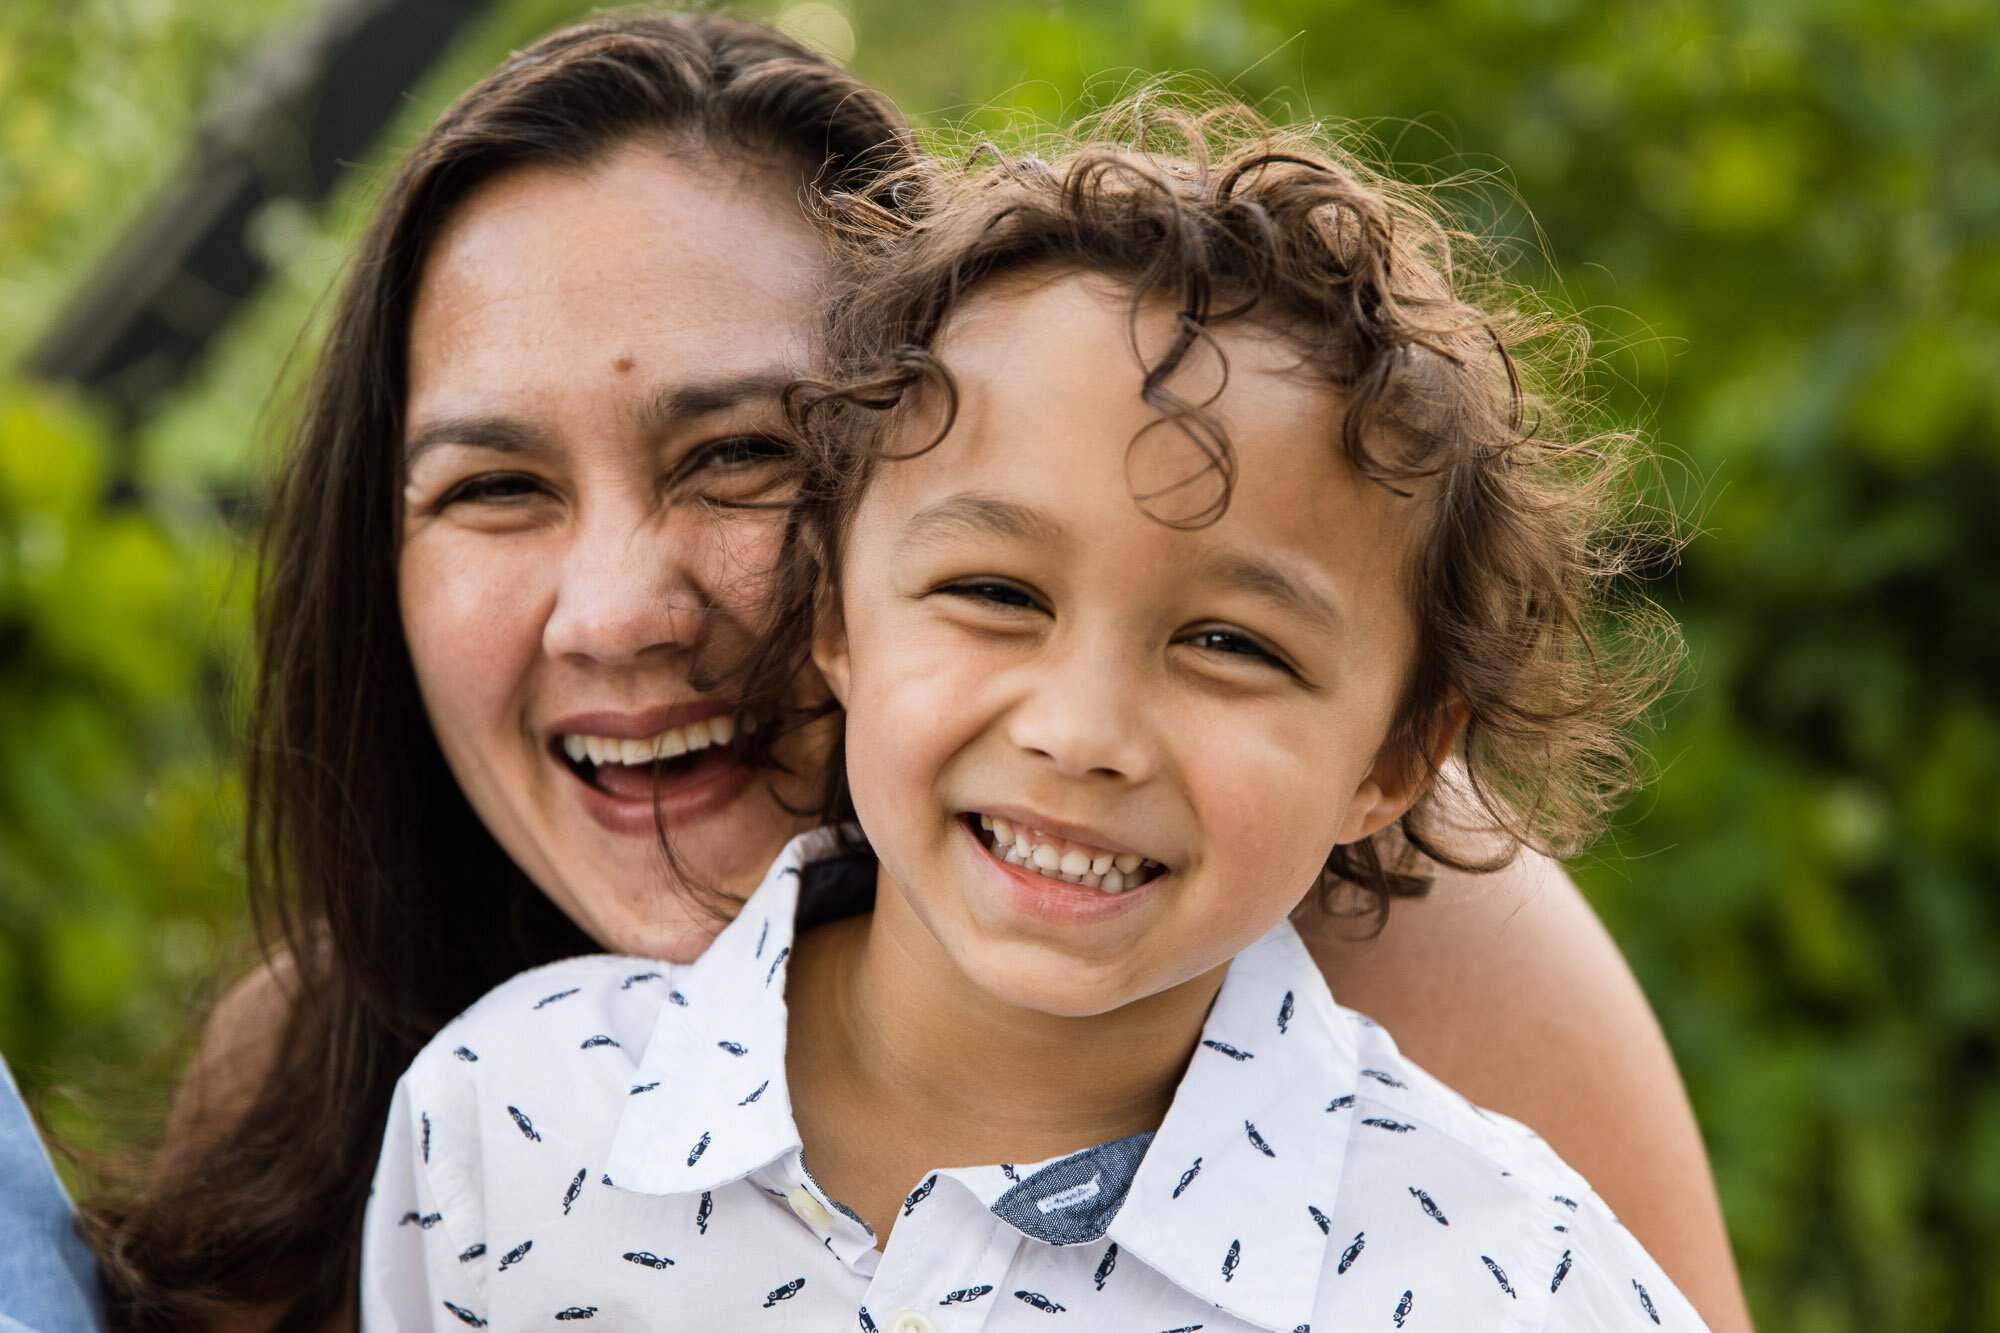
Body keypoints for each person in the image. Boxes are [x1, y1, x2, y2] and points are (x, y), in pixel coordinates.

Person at [4, 12, 1746, 1333]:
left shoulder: (1401, 955)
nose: (616, 608)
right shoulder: (425, 1090)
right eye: (495, 485)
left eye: (735, 458)